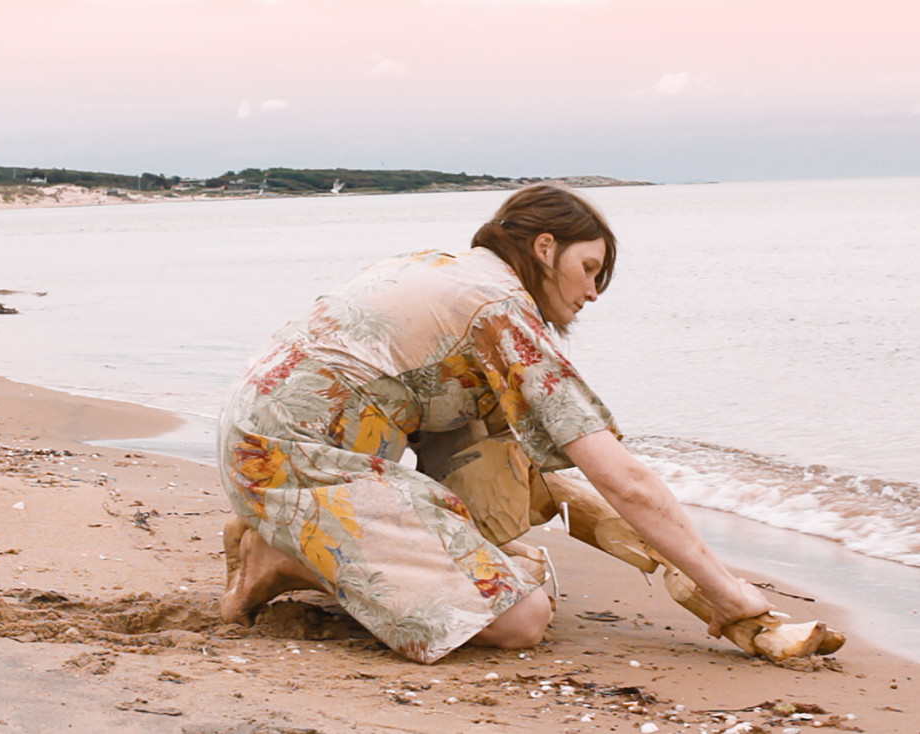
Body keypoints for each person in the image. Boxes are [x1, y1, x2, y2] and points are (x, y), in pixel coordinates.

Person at [216, 184, 774, 664]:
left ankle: (303, 538)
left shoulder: (446, 269)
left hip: (259, 438)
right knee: (521, 620)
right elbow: (622, 479)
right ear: (545, 247)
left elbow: (517, 459)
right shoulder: (499, 308)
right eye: (588, 269)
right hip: (300, 460)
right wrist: (727, 592)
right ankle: (289, 556)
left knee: (500, 436)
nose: (593, 292)